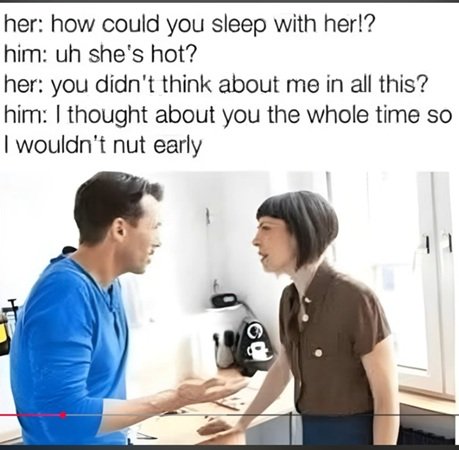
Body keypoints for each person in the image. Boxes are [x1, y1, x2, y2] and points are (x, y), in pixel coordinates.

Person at [9, 171, 247, 445]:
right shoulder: (65, 293)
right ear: (120, 229)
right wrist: (175, 398)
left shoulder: (109, 285)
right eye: (154, 226)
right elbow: (64, 420)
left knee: (231, 440)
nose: (159, 240)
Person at [198, 190, 399, 445]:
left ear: (300, 232)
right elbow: (283, 368)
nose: (255, 240)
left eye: (266, 228)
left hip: (354, 435)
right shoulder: (289, 299)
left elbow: (386, 398)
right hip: (313, 431)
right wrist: (241, 424)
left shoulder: (356, 298)